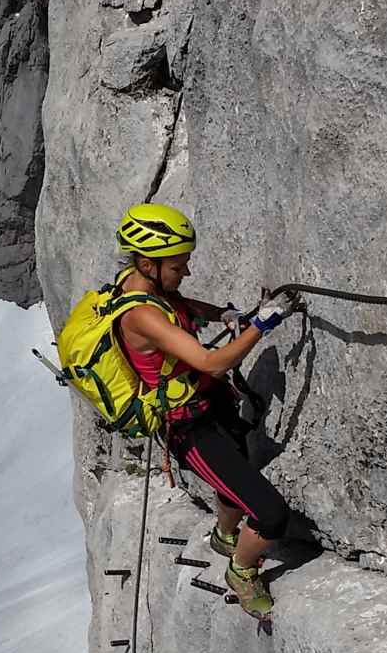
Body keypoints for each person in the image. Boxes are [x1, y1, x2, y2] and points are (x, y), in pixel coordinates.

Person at [112, 203, 301, 618]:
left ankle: (225, 535)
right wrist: (263, 324)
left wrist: (224, 315)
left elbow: (180, 303)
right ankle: (241, 569)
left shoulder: (143, 284)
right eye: (179, 267)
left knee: (233, 470)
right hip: (189, 428)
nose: (186, 273)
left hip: (211, 405)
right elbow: (213, 362)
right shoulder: (141, 314)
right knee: (271, 514)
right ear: (148, 263)